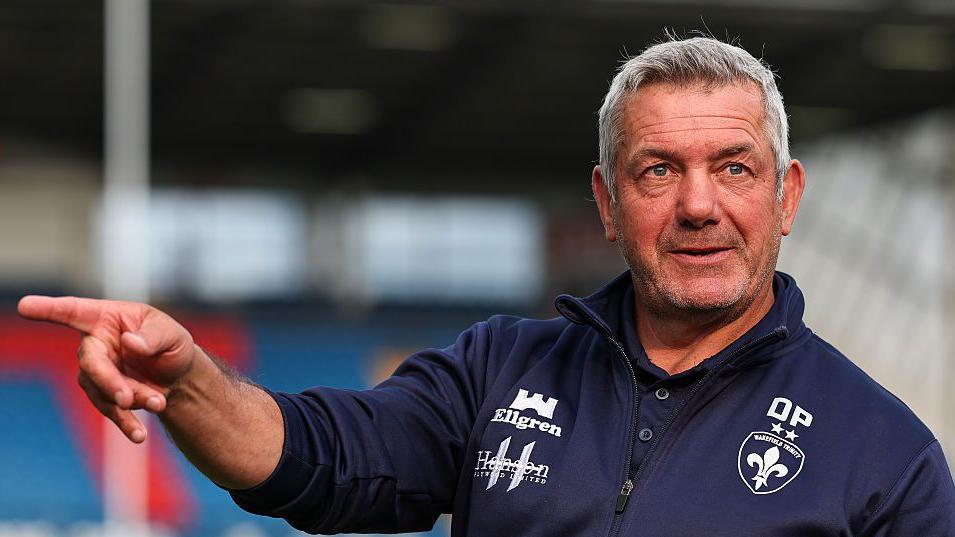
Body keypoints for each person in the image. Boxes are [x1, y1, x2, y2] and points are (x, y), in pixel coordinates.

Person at [18, 36, 955, 536]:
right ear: (607, 200)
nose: (698, 205)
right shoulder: (497, 367)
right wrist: (185, 381)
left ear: (786, 195)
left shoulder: (885, 458)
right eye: (657, 170)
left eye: (735, 168)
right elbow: (322, 460)